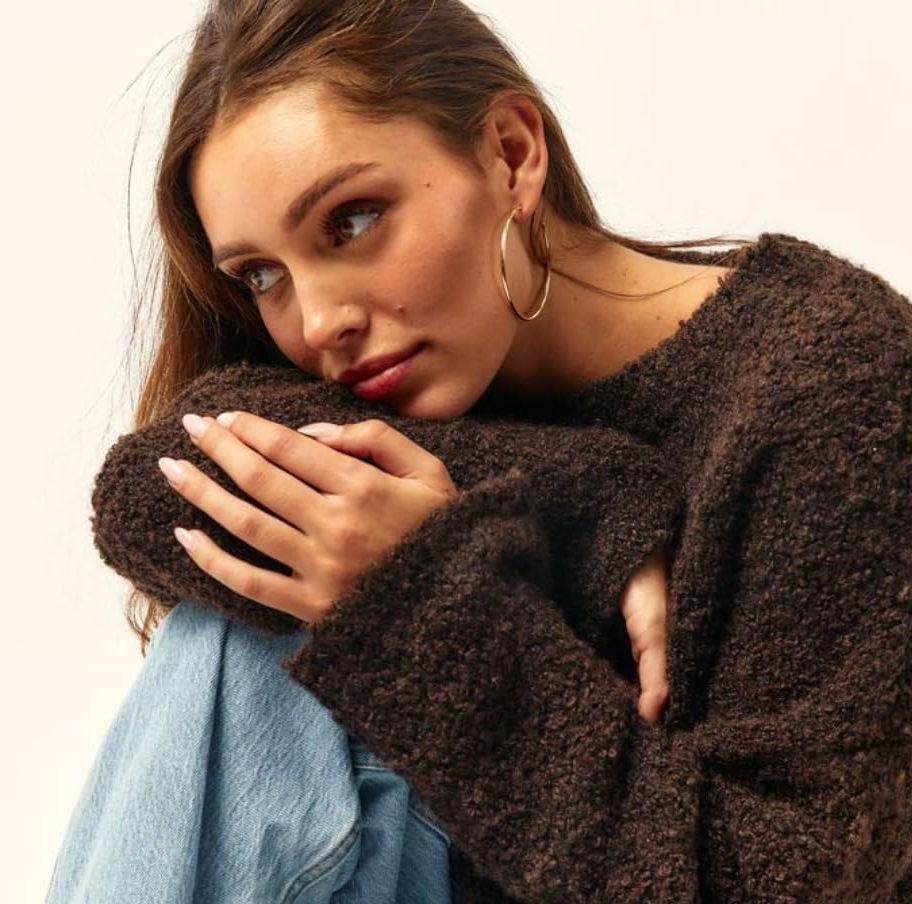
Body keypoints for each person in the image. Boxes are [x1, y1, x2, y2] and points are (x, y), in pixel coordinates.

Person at [49, 0, 912, 901]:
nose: (318, 321)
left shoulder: (832, 382)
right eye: (263, 276)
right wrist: (585, 507)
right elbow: (144, 491)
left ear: (510, 153)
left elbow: (798, 882)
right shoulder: (410, 376)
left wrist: (423, 595)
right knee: (282, 567)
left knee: (302, 581)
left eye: (353, 221)